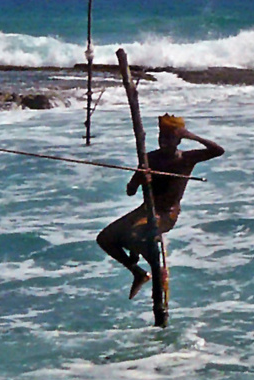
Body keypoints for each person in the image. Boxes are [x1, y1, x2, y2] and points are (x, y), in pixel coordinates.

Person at [96, 115, 225, 299]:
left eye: (169, 138)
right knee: (104, 239)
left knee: (134, 234)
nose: (164, 142)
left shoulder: (187, 159)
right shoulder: (150, 158)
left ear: (179, 140)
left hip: (166, 214)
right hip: (145, 210)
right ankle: (137, 272)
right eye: (161, 137)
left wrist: (191, 135)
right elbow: (130, 191)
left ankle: (157, 269)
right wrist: (140, 178)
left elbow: (218, 150)